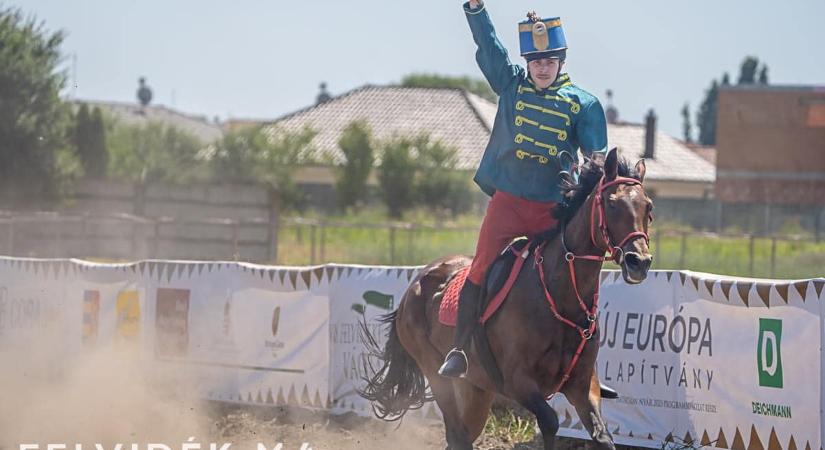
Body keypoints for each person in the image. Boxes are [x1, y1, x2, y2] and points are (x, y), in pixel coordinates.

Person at [438, 0, 609, 379]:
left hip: (551, 209)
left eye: (549, 60)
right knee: (480, 267)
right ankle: (460, 349)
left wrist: (586, 183)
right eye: (536, 60)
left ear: (561, 61)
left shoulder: (585, 104)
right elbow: (490, 46)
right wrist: (476, 9)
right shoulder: (511, 84)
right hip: (508, 204)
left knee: (578, 273)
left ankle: (586, 364)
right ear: (528, 62)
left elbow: (596, 160)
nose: (542, 67)